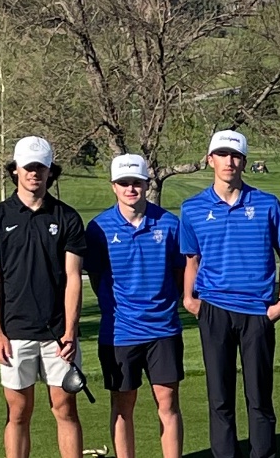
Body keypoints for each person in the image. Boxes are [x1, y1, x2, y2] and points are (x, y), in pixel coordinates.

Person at [180, 130, 280, 458]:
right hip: (214, 309)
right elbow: (192, 259)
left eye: (235, 156)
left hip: (258, 312)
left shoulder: (267, 204)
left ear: (244, 161)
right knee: (220, 397)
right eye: (222, 155)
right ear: (210, 160)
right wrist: (190, 299)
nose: (229, 162)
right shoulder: (192, 208)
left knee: (259, 396)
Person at [0, 136, 88, 458]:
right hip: (14, 333)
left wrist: (71, 330)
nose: (34, 174)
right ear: (15, 170)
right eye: (27, 167)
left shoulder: (66, 217)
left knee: (64, 408)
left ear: (50, 171)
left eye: (40, 167)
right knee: (18, 413)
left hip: (58, 334)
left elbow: (73, 277)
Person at [84, 154, 186, 458]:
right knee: (122, 405)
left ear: (146, 184)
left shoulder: (168, 223)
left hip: (163, 329)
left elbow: (180, 272)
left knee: (168, 403)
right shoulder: (98, 228)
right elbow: (97, 276)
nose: (131, 189)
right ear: (113, 186)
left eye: (136, 183)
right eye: (124, 183)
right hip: (119, 332)